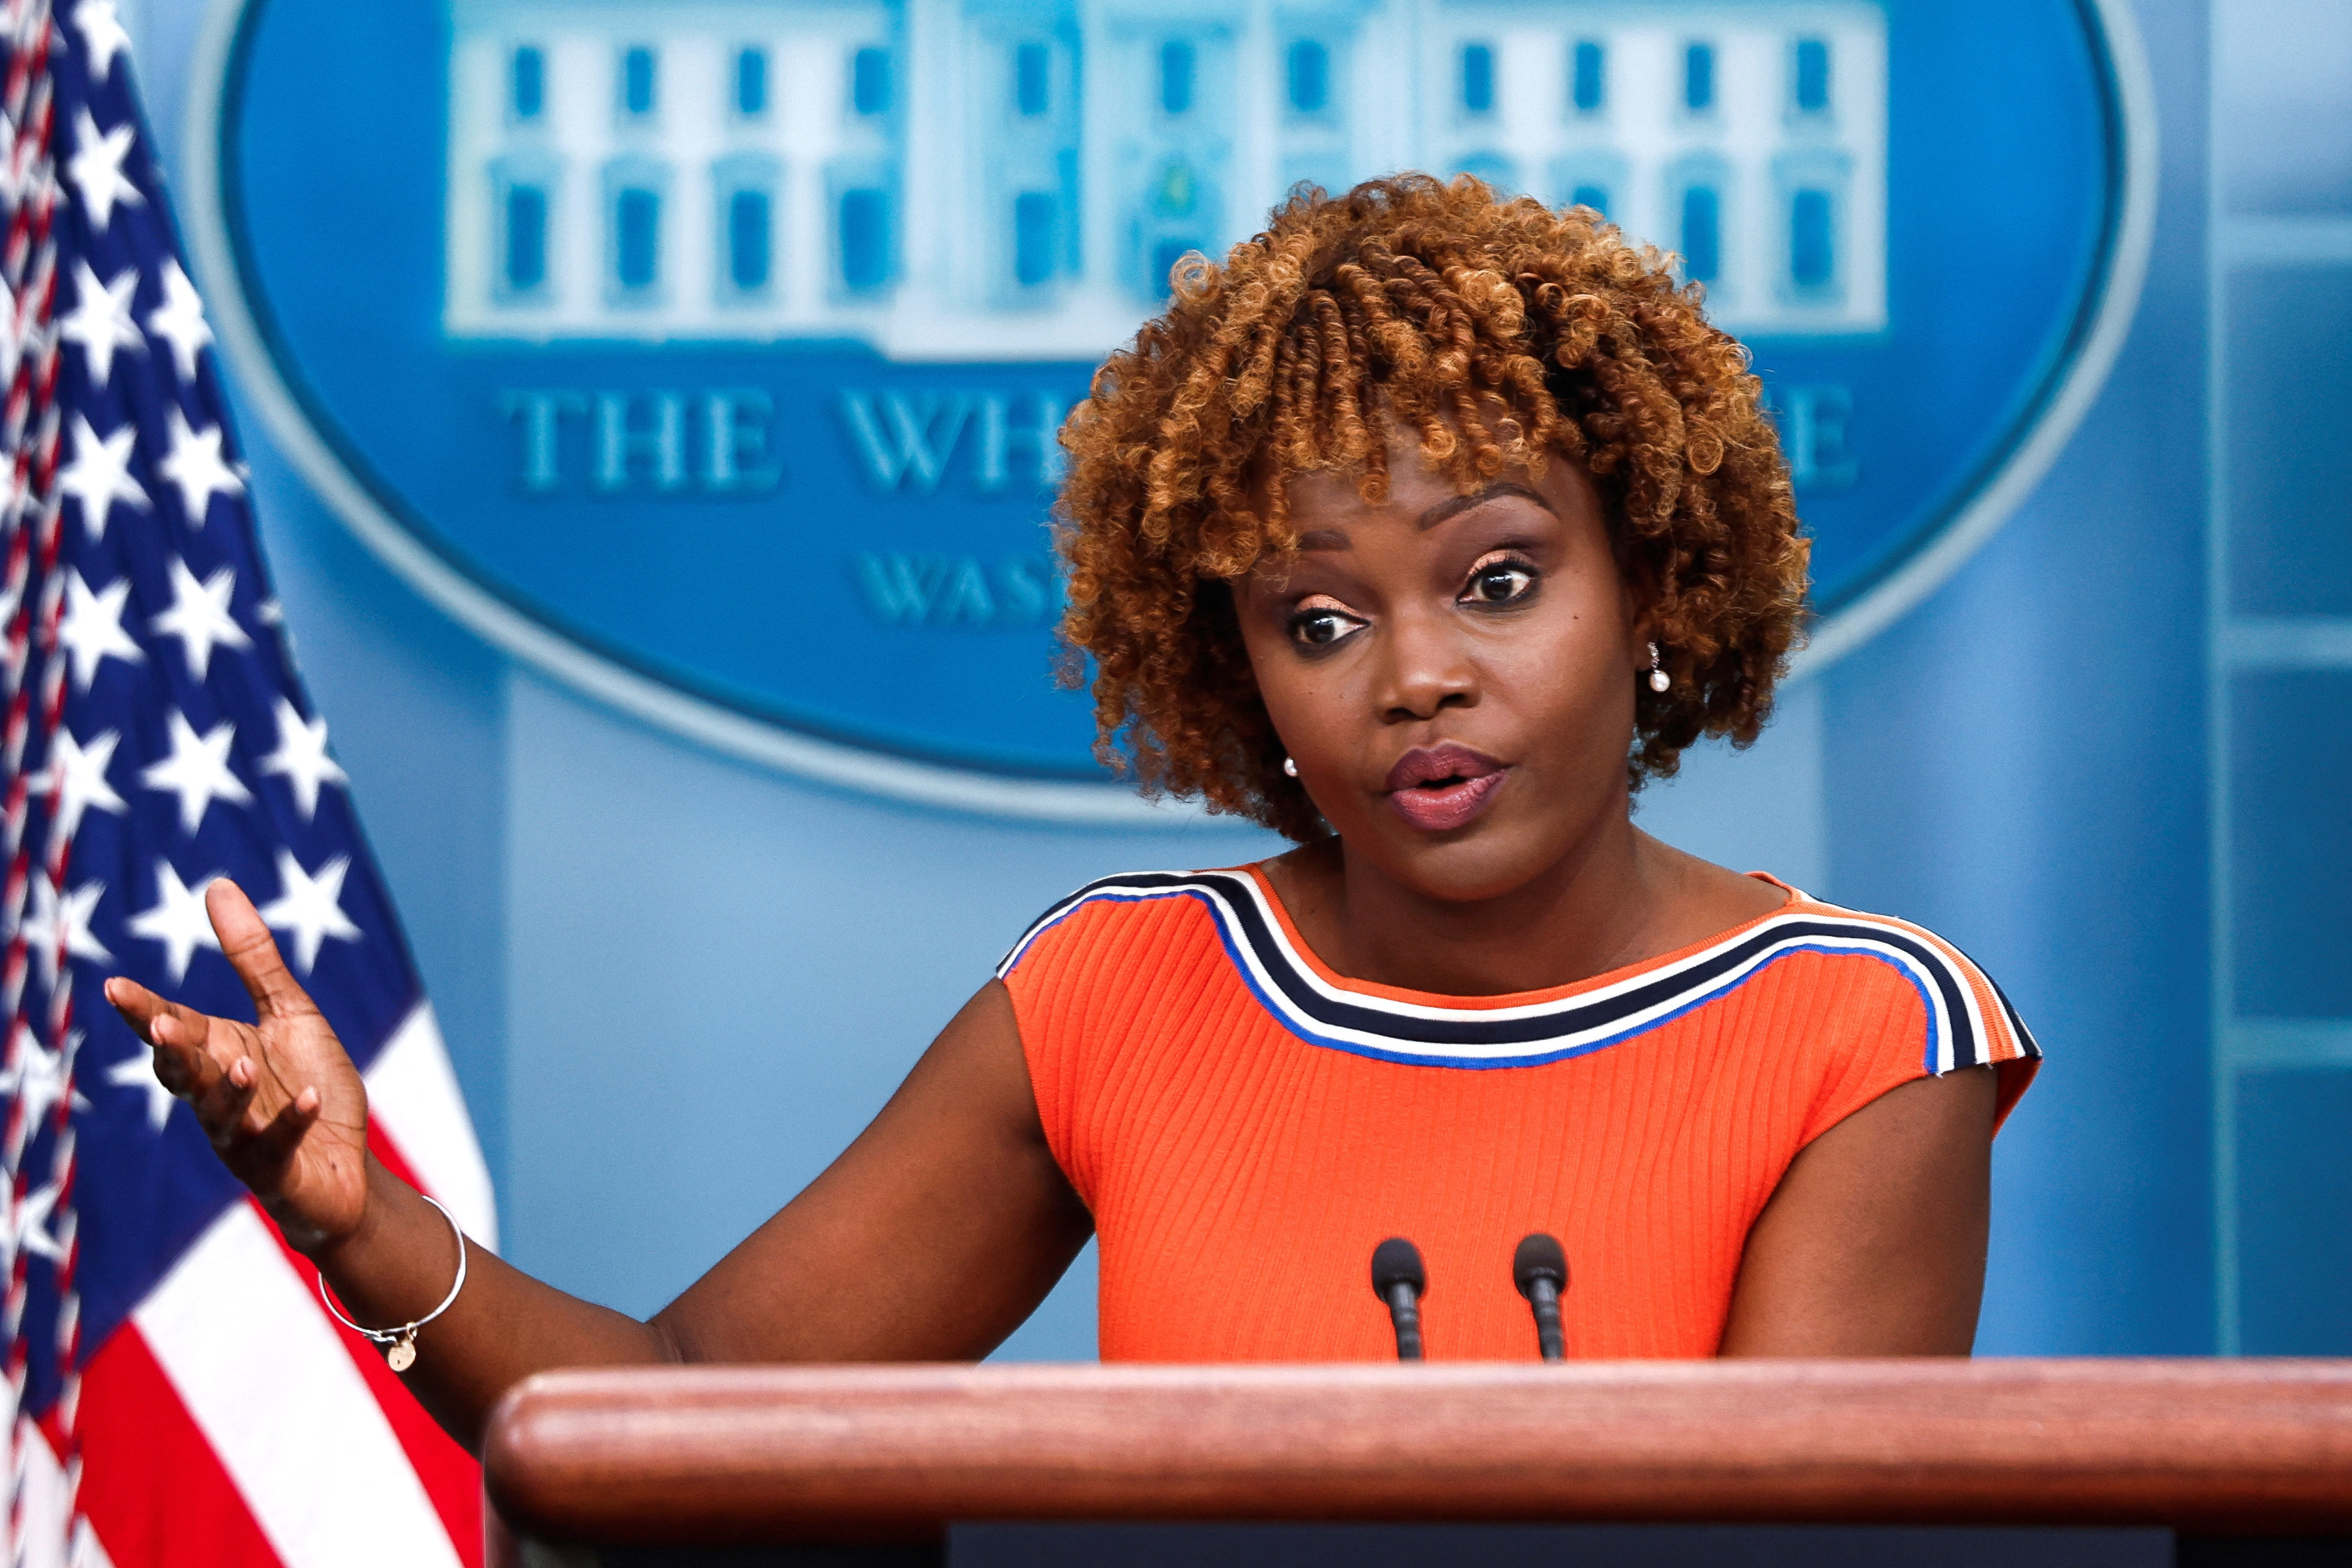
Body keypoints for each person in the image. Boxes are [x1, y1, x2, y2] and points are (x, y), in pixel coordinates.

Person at [110, 176, 2037, 1453]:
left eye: (1502, 579)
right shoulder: (1126, 992)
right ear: (1243, 677)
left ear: (1657, 588)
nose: (1417, 675)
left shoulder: (1864, 1030)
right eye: (1319, 617)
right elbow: (691, 1410)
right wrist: (370, 1231)